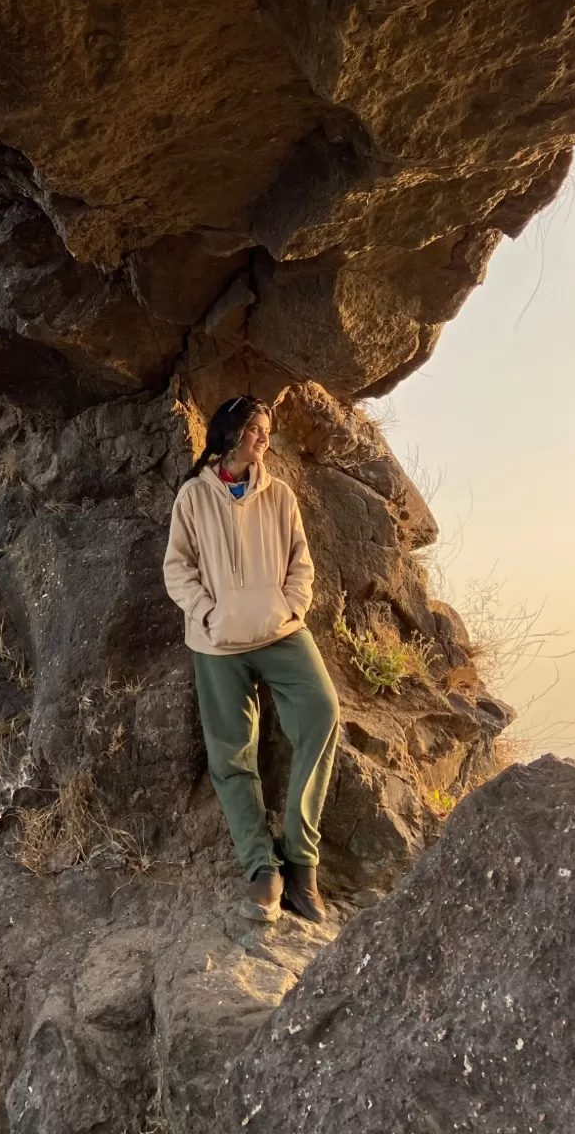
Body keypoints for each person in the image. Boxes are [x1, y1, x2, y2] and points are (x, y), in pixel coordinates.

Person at [162, 395, 339, 923]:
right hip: (216, 644)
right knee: (232, 756)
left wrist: (289, 607)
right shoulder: (193, 497)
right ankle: (263, 869)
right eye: (256, 429)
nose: (263, 438)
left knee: (321, 713)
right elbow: (178, 568)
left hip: (282, 633)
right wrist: (208, 615)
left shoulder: (279, 495)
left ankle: (301, 861)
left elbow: (301, 563)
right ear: (231, 432)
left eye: (266, 430)